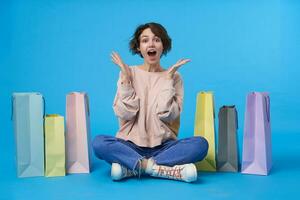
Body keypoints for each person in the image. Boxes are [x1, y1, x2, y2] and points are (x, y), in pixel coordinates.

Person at [92, 22, 208, 183]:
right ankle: (159, 169)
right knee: (99, 143)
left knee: (200, 145)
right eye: (145, 40)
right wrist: (126, 80)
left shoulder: (174, 77)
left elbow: (167, 115)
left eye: (157, 39)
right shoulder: (128, 72)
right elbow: (125, 113)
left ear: (163, 46)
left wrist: (167, 81)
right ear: (139, 47)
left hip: (164, 147)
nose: (151, 44)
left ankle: (133, 167)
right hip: (129, 145)